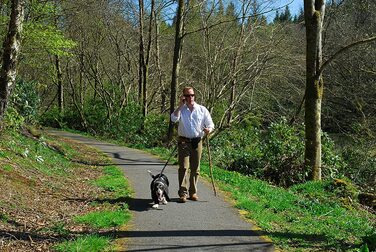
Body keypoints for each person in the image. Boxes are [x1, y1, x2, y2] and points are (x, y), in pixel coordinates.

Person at [170, 86, 214, 203]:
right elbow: (173, 119)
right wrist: (180, 105)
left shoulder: (202, 109)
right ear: (183, 96)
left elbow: (210, 124)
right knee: (184, 167)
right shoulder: (181, 109)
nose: (190, 98)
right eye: (188, 95)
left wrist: (208, 130)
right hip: (184, 141)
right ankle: (183, 193)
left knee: (195, 168)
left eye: (192, 95)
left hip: (197, 141)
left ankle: (193, 192)